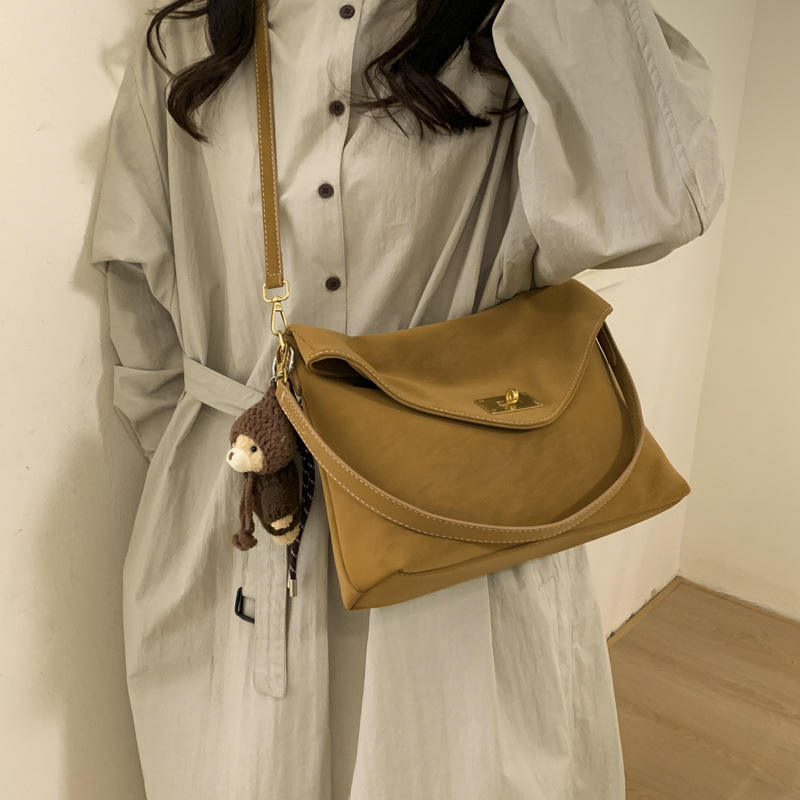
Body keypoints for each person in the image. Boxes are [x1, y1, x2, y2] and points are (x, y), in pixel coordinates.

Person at [88, 0, 725, 797]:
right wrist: (214, 471)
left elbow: (663, 199)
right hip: (245, 530)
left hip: (463, 534)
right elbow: (138, 303)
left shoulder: (503, 32)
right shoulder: (189, 40)